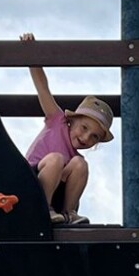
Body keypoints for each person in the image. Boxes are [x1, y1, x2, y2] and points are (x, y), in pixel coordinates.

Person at [17, 32, 113, 226]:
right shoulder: (57, 120)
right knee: (56, 159)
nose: (86, 137)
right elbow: (43, 88)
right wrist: (31, 56)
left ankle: (69, 213)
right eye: (84, 127)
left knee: (80, 164)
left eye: (94, 137)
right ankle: (43, 209)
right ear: (72, 121)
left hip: (57, 194)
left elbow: (72, 170)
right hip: (31, 183)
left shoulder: (75, 159)